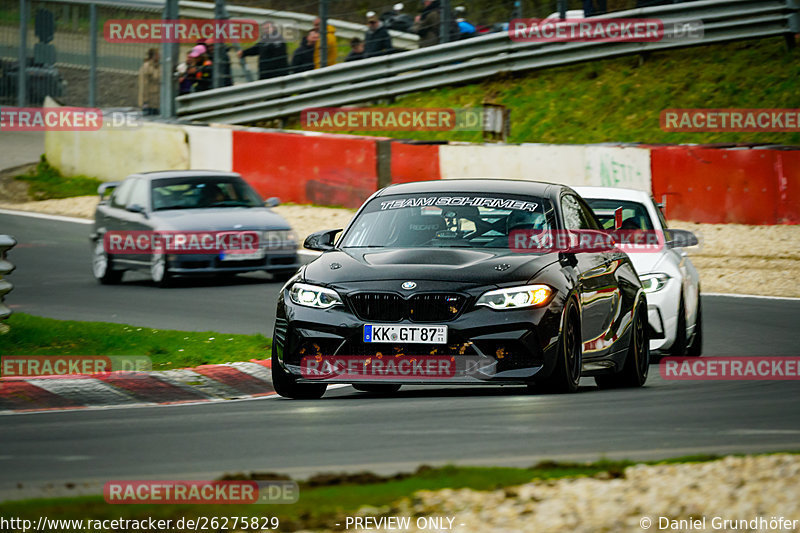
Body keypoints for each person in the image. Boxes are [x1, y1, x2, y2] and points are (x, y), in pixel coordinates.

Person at [138, 48, 160, 116]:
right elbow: (144, 85)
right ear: (153, 56)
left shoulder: (159, 66)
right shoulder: (146, 67)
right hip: (149, 101)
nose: (159, 56)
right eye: (157, 54)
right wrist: (145, 101)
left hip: (157, 101)